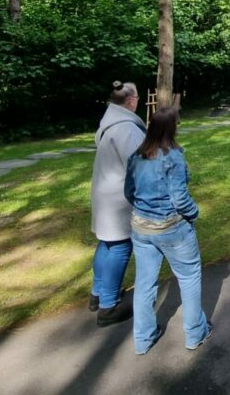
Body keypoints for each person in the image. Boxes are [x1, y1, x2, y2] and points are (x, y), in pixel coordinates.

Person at [125, 107, 212, 355]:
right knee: (189, 277)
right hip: (172, 228)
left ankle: (143, 339)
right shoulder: (172, 156)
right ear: (172, 128)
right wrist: (194, 213)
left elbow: (128, 192)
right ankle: (196, 333)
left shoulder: (137, 155)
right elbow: (180, 198)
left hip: (141, 228)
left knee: (144, 282)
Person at [89, 81, 145, 327]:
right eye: (138, 98)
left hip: (104, 191)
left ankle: (98, 293)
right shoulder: (127, 129)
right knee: (121, 246)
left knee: (107, 243)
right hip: (119, 197)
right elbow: (139, 165)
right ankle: (108, 307)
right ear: (131, 100)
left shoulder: (108, 122)